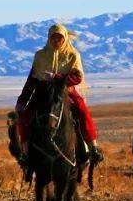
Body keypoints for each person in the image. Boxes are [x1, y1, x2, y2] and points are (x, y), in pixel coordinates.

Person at [14, 23, 103, 175]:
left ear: (65, 38)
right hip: (42, 92)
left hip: (65, 92)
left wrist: (57, 77)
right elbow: (32, 80)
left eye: (59, 37)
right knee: (26, 115)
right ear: (49, 38)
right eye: (53, 37)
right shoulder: (40, 56)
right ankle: (26, 153)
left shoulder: (72, 55)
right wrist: (22, 101)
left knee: (82, 111)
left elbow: (77, 77)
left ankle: (92, 148)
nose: (56, 40)